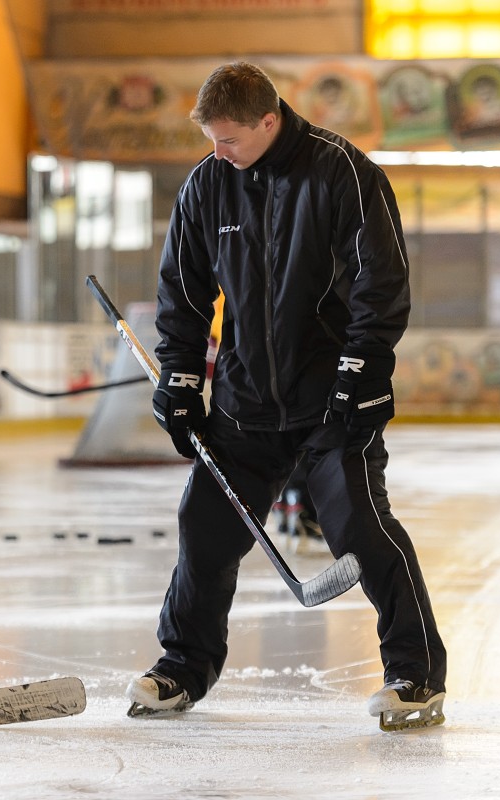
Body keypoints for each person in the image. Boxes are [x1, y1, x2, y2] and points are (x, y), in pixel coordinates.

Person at [127, 62, 447, 732]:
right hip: (245, 407)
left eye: (231, 139)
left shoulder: (343, 173)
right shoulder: (208, 185)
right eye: (212, 139)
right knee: (204, 529)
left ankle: (415, 674)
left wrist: (361, 375)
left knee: (363, 530)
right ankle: (183, 667)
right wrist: (181, 380)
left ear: (269, 120)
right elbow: (183, 297)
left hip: (332, 405)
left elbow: (380, 286)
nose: (220, 152)